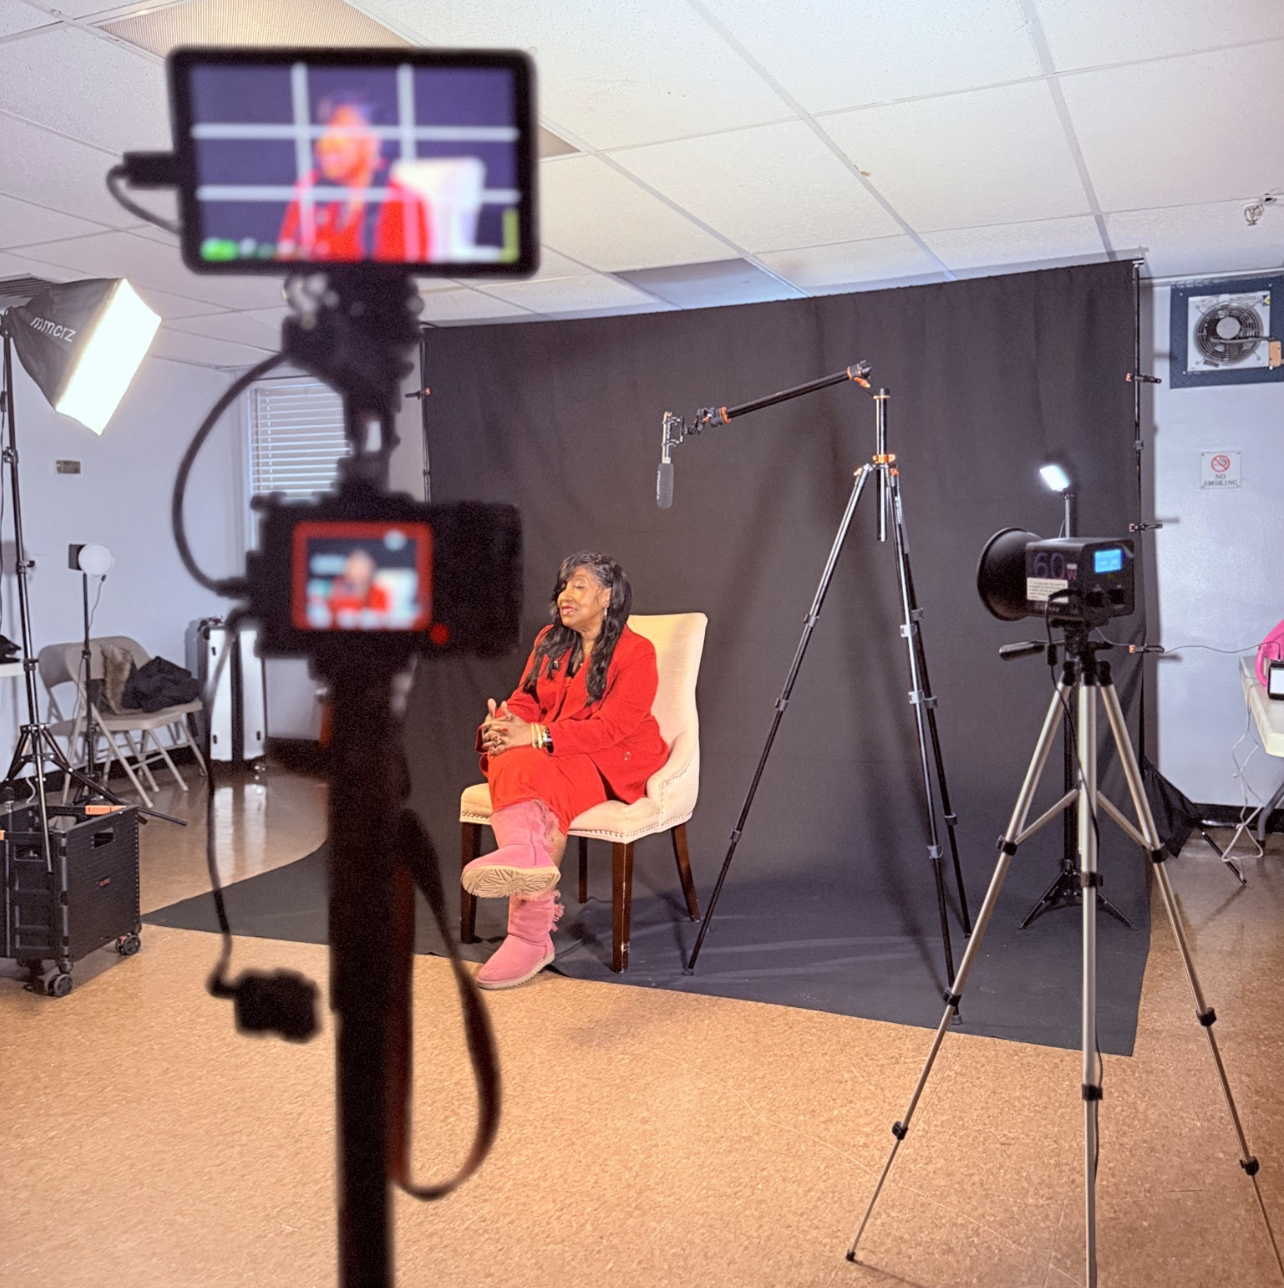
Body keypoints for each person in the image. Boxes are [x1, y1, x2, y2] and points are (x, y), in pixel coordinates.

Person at [462, 552, 668, 990]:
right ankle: (527, 870)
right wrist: (504, 725)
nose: (564, 596)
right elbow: (525, 698)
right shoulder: (549, 641)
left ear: (607, 597)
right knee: (506, 755)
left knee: (541, 781)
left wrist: (534, 736)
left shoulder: (637, 652)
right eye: (563, 587)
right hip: (558, 745)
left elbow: (613, 728)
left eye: (578, 586)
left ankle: (529, 932)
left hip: (613, 755)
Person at [276, 94, 431, 262]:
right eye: (324, 131)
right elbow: (285, 258)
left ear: (373, 141)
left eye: (340, 131)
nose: (324, 144)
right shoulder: (310, 188)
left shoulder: (402, 203)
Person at [326, 549, 390, 625]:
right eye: (355, 566)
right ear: (347, 568)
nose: (359, 571)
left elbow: (382, 618)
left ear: (371, 568)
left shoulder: (379, 591)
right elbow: (333, 615)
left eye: (363, 566)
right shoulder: (338, 589)